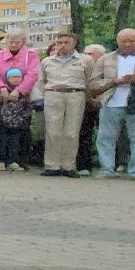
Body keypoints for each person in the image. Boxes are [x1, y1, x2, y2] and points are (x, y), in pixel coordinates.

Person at [88, 28, 135, 180]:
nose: (128, 44)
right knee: (106, 138)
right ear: (118, 41)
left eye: (132, 41)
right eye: (124, 41)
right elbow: (93, 83)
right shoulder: (106, 59)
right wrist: (113, 82)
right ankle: (107, 169)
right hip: (111, 102)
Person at [38, 31, 91, 177]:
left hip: (75, 94)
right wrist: (48, 94)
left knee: (72, 132)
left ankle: (68, 166)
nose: (62, 45)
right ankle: (51, 165)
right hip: (53, 94)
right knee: (53, 131)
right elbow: (41, 81)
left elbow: (89, 80)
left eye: (66, 42)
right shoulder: (47, 61)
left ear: (74, 43)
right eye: (59, 43)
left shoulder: (85, 60)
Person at [0, 67, 34, 172]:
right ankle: (0, 161)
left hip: (17, 122)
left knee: (14, 142)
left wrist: (23, 118)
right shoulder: (1, 90)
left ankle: (12, 161)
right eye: (13, 77)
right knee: (1, 141)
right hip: (1, 121)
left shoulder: (23, 92)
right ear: (7, 78)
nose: (16, 79)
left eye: (18, 77)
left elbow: (28, 106)